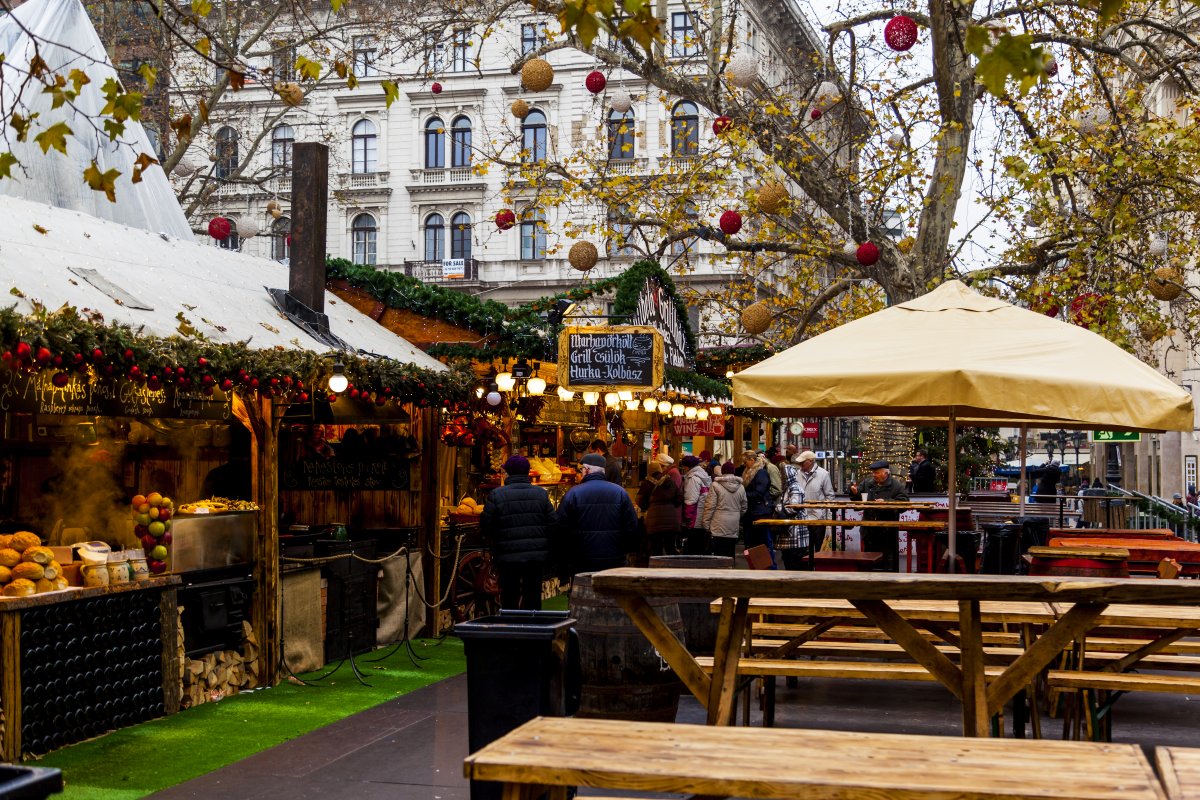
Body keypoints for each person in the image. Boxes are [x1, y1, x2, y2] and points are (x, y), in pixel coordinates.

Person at [480, 455, 554, 610]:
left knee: (509, 593)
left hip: (507, 556)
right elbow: (553, 522)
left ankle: (511, 626)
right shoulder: (540, 494)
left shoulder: (497, 495)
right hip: (535, 555)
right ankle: (533, 626)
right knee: (533, 593)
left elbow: (486, 525)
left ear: (508, 473)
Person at [555, 453, 638, 575]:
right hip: (614, 558)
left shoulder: (573, 494)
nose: (581, 472)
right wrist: (624, 550)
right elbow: (632, 527)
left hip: (582, 559)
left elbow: (561, 527)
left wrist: (567, 554)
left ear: (587, 470)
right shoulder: (620, 493)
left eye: (581, 469)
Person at [778, 450, 835, 570]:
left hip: (818, 518)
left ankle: (819, 572)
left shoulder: (823, 474)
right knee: (804, 549)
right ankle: (807, 571)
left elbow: (829, 496)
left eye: (803, 462)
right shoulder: (797, 475)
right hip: (802, 519)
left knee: (818, 549)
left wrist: (829, 519)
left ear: (811, 461)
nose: (801, 465)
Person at [849, 460, 909, 572]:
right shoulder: (867, 483)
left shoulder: (897, 486)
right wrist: (855, 492)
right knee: (869, 560)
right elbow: (859, 500)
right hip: (869, 529)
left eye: (877, 473)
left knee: (888, 561)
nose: (874, 475)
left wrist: (886, 502)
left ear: (886, 473)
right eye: (873, 473)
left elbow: (904, 503)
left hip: (887, 531)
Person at [701, 461, 748, 557]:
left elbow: (710, 506)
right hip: (733, 522)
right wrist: (736, 515)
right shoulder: (741, 487)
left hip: (718, 522)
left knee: (718, 552)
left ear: (722, 471)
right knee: (730, 550)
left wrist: (706, 523)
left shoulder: (715, 485)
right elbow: (744, 506)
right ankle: (731, 569)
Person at [741, 450, 776, 567]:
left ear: (752, 460)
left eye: (745, 462)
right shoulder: (749, 472)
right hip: (753, 512)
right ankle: (759, 566)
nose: (743, 464)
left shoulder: (760, 473)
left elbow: (759, 492)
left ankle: (769, 566)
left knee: (763, 542)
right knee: (754, 543)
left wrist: (743, 494)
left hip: (760, 512)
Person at [639, 459, 682, 556]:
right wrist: (671, 506)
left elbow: (639, 500)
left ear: (649, 471)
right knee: (670, 548)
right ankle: (672, 568)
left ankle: (657, 569)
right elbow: (679, 498)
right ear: (660, 469)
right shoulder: (669, 481)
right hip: (671, 520)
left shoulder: (647, 484)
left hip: (655, 522)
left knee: (656, 549)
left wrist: (649, 507)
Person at [680, 454, 712, 554]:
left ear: (687, 466)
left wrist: (687, 518)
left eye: (683, 466)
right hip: (702, 515)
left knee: (694, 547)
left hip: (695, 518)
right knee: (700, 545)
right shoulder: (703, 475)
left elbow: (691, 500)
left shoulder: (693, 478)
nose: (683, 469)